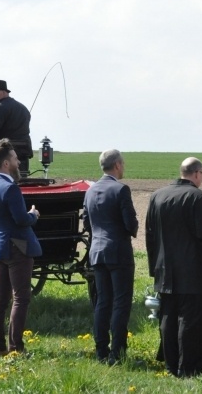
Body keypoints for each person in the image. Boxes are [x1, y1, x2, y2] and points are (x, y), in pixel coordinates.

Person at [146, 157, 202, 377]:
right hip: (192, 268)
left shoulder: (157, 195)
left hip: (164, 268)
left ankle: (170, 364)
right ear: (197, 174)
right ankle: (187, 367)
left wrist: (154, 267)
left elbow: (150, 235)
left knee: (167, 316)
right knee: (189, 319)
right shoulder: (197, 197)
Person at [0, 138, 41, 357]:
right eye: (16, 159)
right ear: (6, 163)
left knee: (1, 298)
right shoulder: (10, 188)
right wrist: (33, 215)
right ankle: (16, 347)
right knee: (20, 298)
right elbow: (20, 219)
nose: (19, 163)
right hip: (18, 247)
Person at [82, 149, 138, 365]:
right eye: (122, 163)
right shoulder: (121, 189)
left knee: (103, 302)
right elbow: (130, 224)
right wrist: (133, 227)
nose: (123, 167)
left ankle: (101, 351)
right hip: (119, 252)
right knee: (121, 303)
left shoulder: (90, 190)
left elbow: (86, 222)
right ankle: (118, 352)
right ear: (116, 165)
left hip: (97, 251)